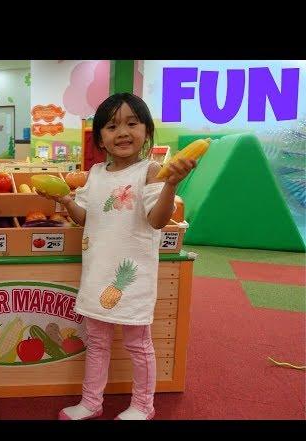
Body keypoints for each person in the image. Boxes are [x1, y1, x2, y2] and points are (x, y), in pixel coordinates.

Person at [41, 93, 196, 420]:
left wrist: (170, 185)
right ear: (100, 138)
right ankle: (91, 401)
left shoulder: (151, 171)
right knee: (96, 343)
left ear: (146, 130)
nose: (122, 132)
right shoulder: (95, 173)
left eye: (132, 123)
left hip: (132, 276)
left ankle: (143, 405)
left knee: (139, 346)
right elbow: (86, 218)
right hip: (97, 273)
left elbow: (157, 221)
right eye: (112, 126)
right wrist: (67, 201)